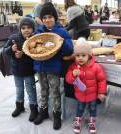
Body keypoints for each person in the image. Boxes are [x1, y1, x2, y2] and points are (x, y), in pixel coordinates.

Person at [33, 2, 73, 130]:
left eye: (50, 17)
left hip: (53, 67)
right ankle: (43, 112)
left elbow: (69, 50)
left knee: (55, 92)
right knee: (43, 90)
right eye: (44, 17)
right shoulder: (38, 32)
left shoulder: (61, 32)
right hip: (40, 67)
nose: (47, 20)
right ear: (41, 19)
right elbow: (33, 47)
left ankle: (56, 115)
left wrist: (62, 44)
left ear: (55, 18)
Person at [65, 38, 107, 134]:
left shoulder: (96, 67)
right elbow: (68, 79)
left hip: (93, 95)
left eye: (83, 55)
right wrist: (72, 75)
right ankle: (78, 120)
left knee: (93, 108)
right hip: (80, 94)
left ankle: (92, 121)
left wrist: (101, 92)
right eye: (78, 56)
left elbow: (102, 80)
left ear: (89, 55)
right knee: (80, 108)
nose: (80, 58)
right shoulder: (73, 67)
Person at [4, 17, 38, 122]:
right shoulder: (14, 38)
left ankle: (34, 109)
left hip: (28, 71)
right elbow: (5, 51)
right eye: (23, 28)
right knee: (19, 90)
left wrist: (23, 55)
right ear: (20, 29)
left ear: (33, 29)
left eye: (29, 27)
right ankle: (19, 106)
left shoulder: (35, 40)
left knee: (30, 90)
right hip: (17, 71)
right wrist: (11, 49)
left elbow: (36, 56)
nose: (26, 30)